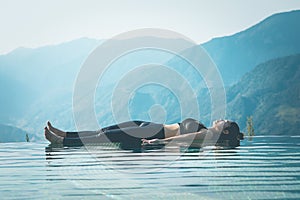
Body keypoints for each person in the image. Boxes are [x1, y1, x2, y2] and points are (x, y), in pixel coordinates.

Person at [45, 118, 244, 150]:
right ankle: (65, 133)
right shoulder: (207, 131)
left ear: (224, 130)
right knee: (103, 131)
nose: (220, 118)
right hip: (148, 125)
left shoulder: (209, 134)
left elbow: (186, 138)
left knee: (103, 137)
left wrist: (160, 141)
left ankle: (62, 142)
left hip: (155, 131)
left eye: (223, 120)